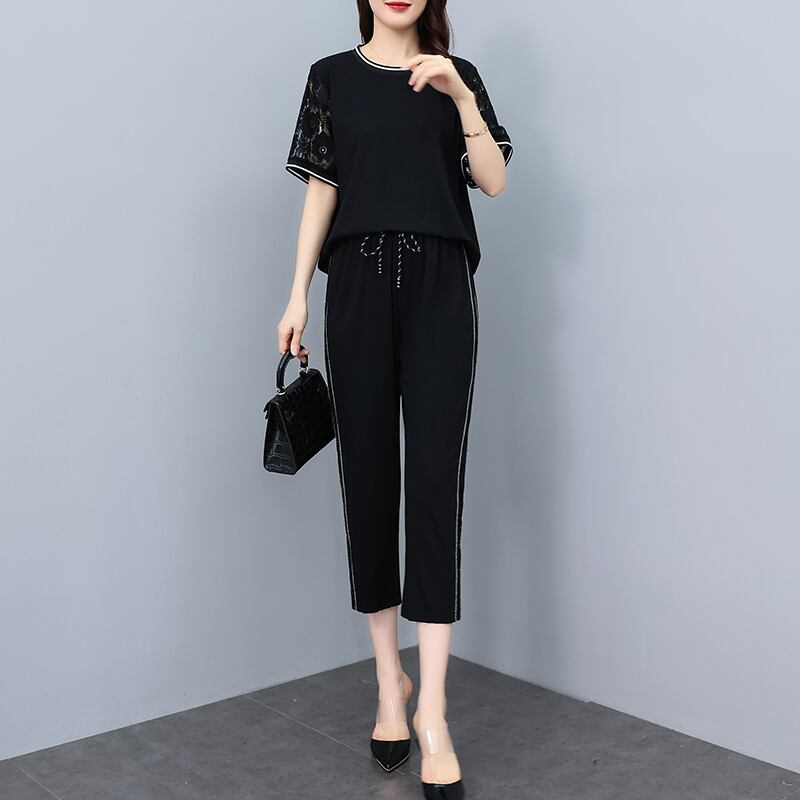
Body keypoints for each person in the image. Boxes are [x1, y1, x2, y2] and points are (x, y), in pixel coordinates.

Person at [276, 1, 512, 797]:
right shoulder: (331, 78)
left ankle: (433, 710)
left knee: (435, 482)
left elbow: (494, 181)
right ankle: (390, 682)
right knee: (369, 479)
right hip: (357, 286)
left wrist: (460, 95)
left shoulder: (458, 78)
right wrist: (298, 294)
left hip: (443, 286)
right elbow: (322, 191)